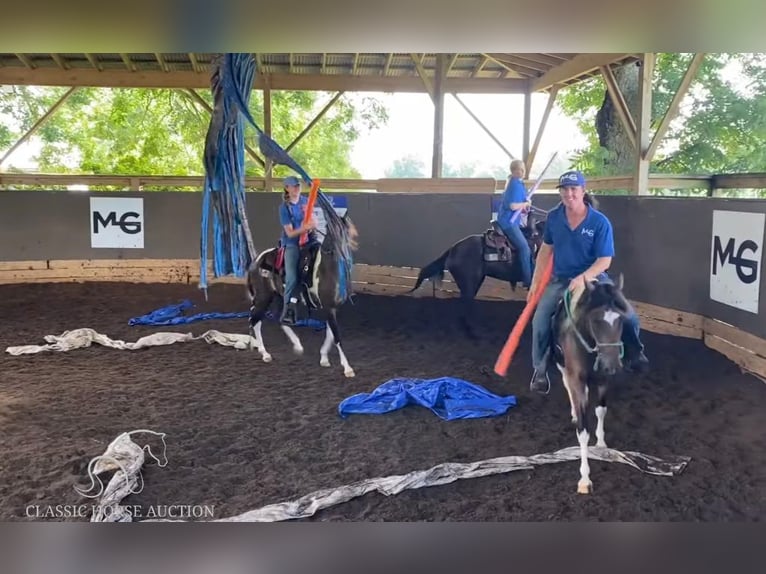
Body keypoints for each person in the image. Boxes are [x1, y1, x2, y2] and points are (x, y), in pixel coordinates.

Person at [527, 169, 649, 394]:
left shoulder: (599, 222)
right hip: (562, 280)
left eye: (574, 189)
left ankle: (634, 351)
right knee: (540, 320)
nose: (569, 194)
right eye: (565, 189)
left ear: (583, 191)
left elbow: (605, 261)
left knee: (628, 314)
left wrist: (583, 278)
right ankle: (540, 369)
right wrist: (536, 281)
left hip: (594, 277)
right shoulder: (554, 217)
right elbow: (546, 250)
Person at [278, 175, 316, 325]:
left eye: (298, 185)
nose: (296, 188)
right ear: (287, 188)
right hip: (292, 244)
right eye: (293, 186)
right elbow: (290, 233)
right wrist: (304, 228)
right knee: (292, 277)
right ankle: (287, 311)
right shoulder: (284, 208)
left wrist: (312, 225)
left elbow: (313, 220)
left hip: (308, 241)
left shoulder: (306, 202)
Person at [496, 159, 533, 288]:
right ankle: (527, 281)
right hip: (508, 222)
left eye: (523, 170)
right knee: (524, 248)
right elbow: (512, 206)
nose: (522, 172)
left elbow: (519, 206)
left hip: (512, 221)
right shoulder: (514, 184)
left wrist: (525, 206)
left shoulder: (518, 184)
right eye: (520, 170)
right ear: (514, 171)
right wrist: (525, 204)